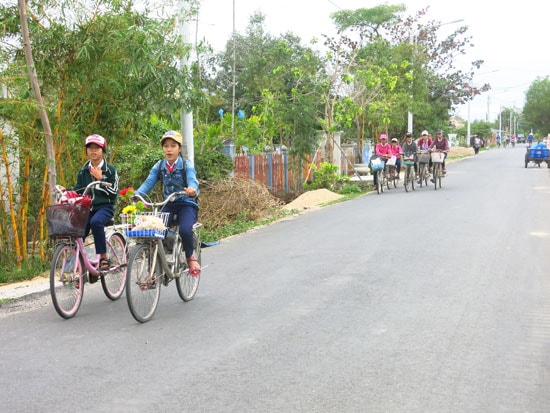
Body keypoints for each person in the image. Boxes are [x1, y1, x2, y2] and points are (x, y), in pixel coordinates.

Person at [135, 130, 201, 276]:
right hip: (168, 204)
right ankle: (153, 270)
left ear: (179, 148)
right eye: (166, 146)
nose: (169, 149)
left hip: (186, 203)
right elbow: (149, 181)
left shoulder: (186, 164)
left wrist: (192, 189)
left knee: (185, 230)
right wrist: (137, 194)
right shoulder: (160, 166)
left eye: (173, 146)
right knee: (156, 231)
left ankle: (190, 258)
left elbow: (192, 179)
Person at [61, 134, 119, 271]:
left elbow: (114, 192)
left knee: (96, 222)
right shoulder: (83, 170)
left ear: (103, 150)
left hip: (105, 206)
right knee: (77, 229)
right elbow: (79, 189)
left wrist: (101, 179)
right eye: (90, 148)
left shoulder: (110, 170)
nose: (93, 151)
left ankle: (103, 257)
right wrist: (67, 190)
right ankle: (77, 262)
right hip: (87, 208)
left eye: (97, 148)